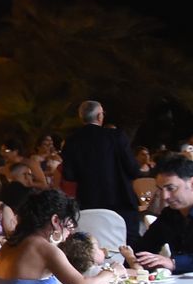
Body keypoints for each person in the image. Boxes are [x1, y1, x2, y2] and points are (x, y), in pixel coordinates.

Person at [60, 100, 144, 244]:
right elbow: (133, 170)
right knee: (129, 244)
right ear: (100, 116)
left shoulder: (72, 141)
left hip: (89, 203)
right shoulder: (116, 136)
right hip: (121, 201)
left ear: (82, 118)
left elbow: (69, 175)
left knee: (93, 244)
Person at [135, 153, 193, 274]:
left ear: (192, 184)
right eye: (161, 189)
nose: (164, 196)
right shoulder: (170, 215)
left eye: (171, 188)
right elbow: (144, 247)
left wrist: (174, 263)